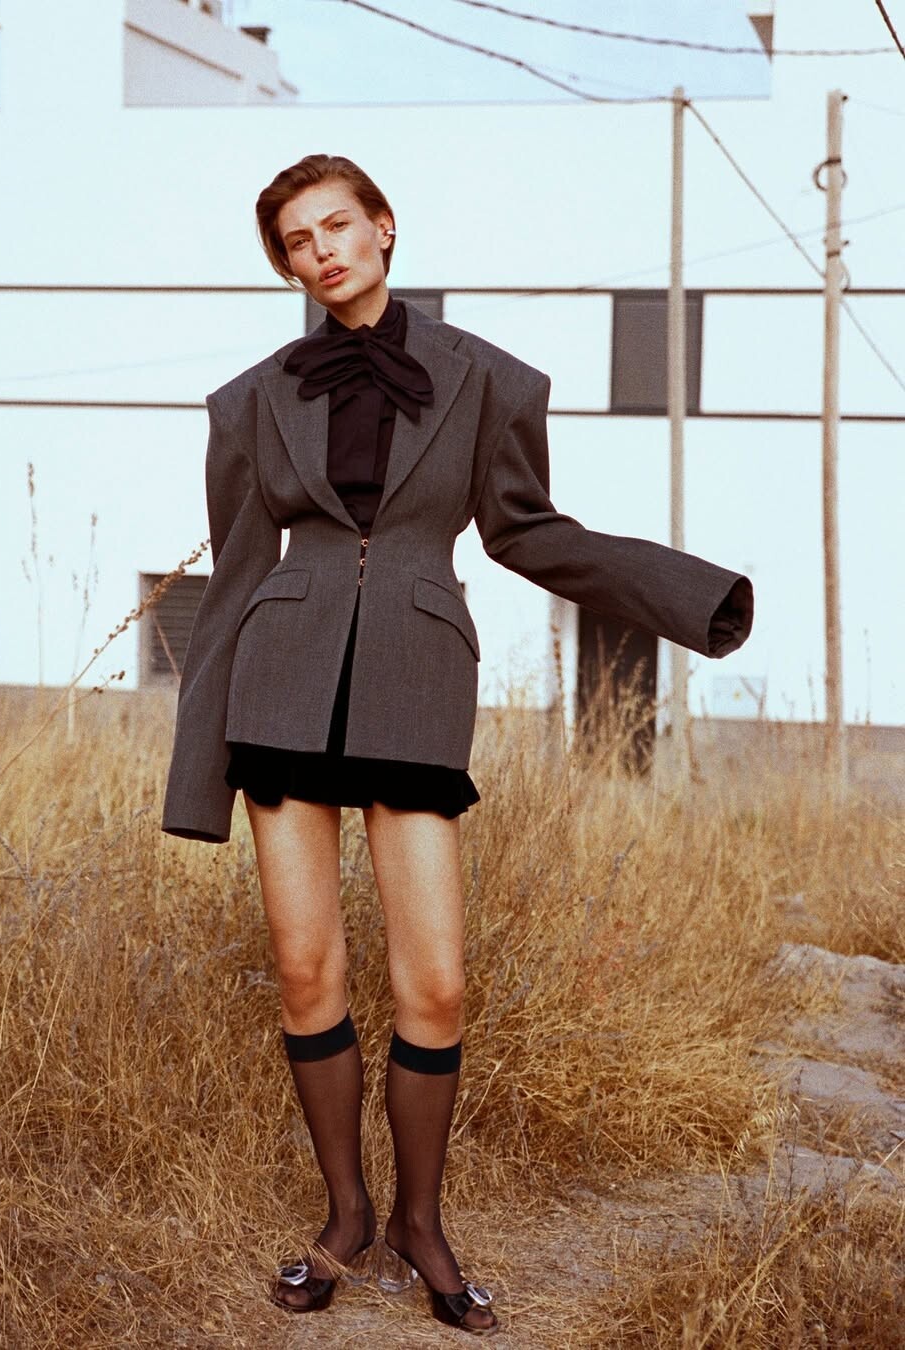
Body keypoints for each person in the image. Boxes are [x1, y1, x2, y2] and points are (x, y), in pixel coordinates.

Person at [161, 153, 754, 1335]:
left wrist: (689, 598)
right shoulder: (250, 402)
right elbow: (232, 583)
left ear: (384, 228)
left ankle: (422, 1222)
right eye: (297, 241)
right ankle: (345, 1219)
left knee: (435, 985)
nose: (322, 251)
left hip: (417, 684)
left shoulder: (488, 380)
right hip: (280, 690)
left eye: (338, 225)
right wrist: (196, 780)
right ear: (287, 265)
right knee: (306, 976)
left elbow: (529, 532)